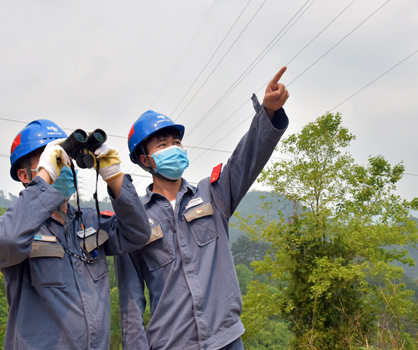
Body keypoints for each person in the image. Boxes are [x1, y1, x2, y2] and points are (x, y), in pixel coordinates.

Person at [115, 66, 290, 350]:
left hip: (227, 338)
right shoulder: (133, 221)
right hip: (172, 343)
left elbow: (246, 159)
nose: (174, 148)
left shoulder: (213, 194)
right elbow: (131, 300)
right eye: (163, 144)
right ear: (145, 160)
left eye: (177, 142)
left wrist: (267, 113)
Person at [0, 119, 151, 350]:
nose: (62, 167)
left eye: (64, 158)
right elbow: (8, 241)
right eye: (52, 159)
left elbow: (138, 234)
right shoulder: (12, 228)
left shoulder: (90, 222)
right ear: (25, 176)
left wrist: (114, 176)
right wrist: (45, 177)